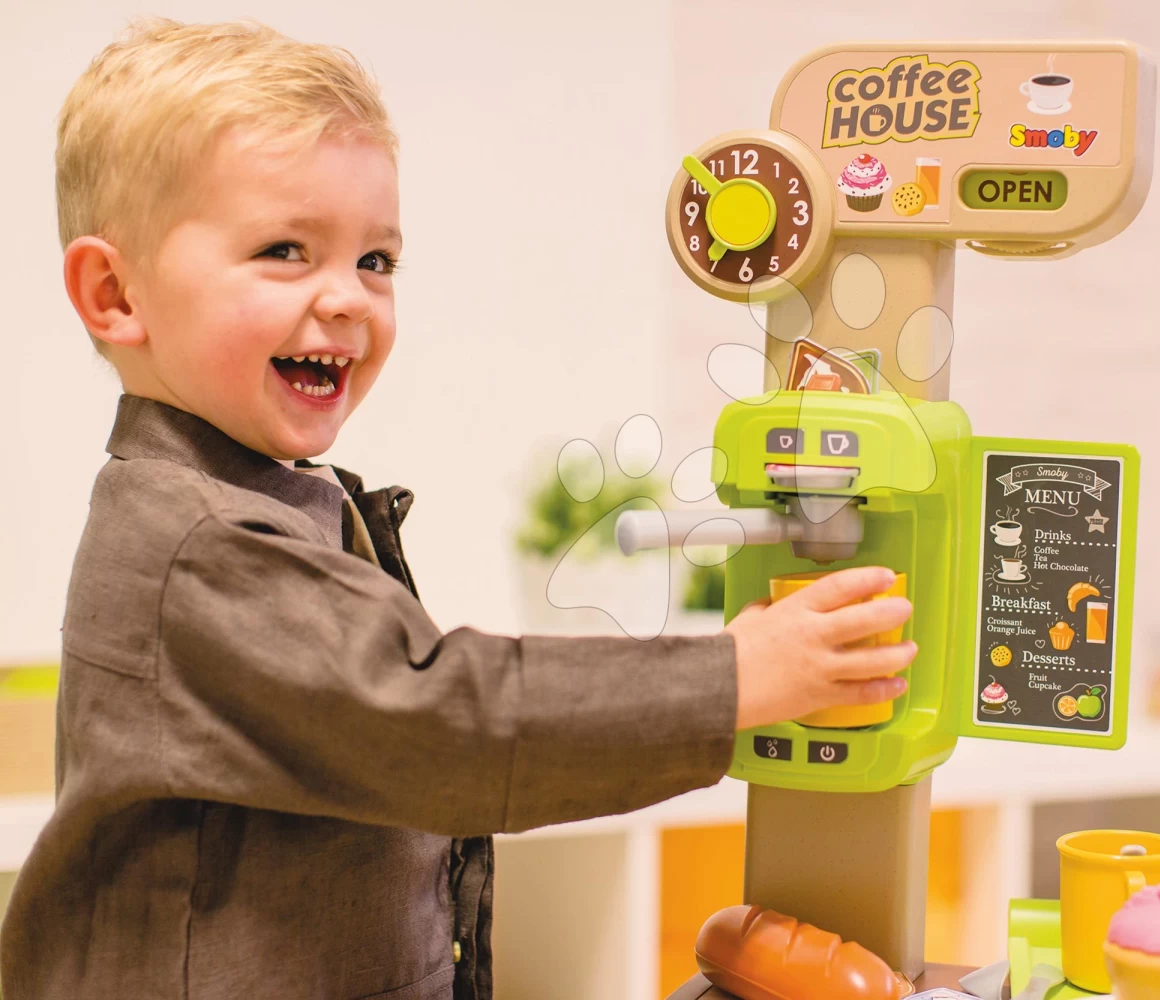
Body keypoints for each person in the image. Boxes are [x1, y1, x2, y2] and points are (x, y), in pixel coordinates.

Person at [0, 18, 917, 1000]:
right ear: (115, 293)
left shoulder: (264, 501)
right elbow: (438, 724)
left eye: (376, 260)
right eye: (284, 250)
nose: (348, 299)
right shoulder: (200, 543)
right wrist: (733, 680)